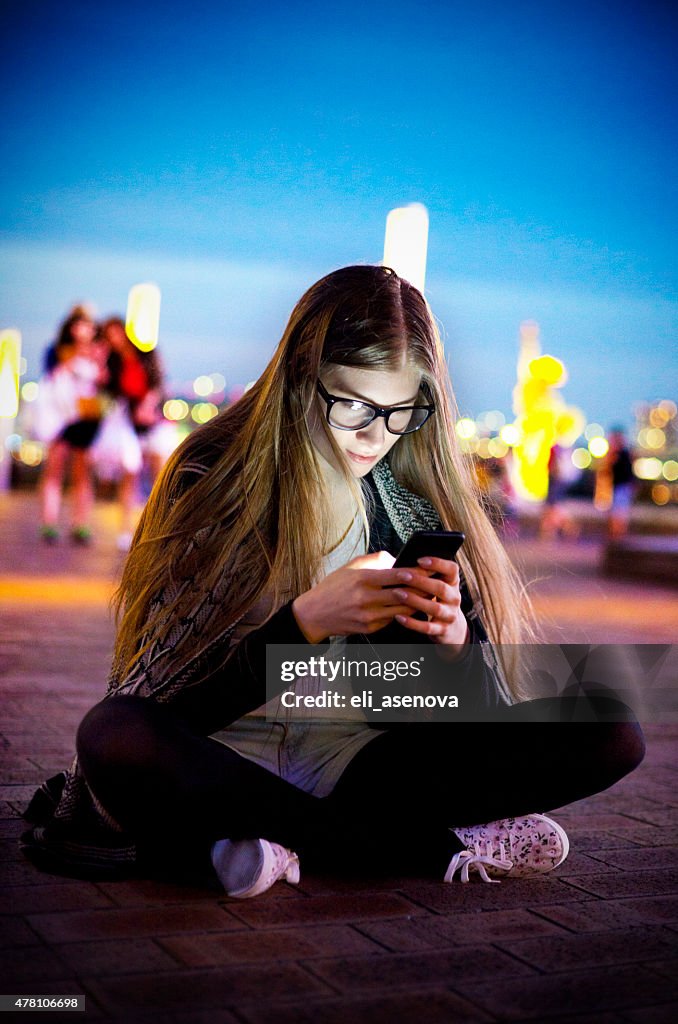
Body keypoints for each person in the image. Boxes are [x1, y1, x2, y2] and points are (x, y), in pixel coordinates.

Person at [22, 266, 644, 896]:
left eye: (402, 411)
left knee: (608, 725)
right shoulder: (211, 474)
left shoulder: (404, 502)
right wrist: (304, 625)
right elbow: (167, 703)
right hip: (227, 754)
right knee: (113, 735)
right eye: (354, 405)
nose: (377, 436)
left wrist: (453, 644)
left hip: (354, 757)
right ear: (301, 377)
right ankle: (412, 844)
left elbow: (428, 704)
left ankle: (269, 842)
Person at [93, 317, 177, 550]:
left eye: (116, 333)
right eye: (109, 337)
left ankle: (162, 528)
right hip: (131, 427)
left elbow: (158, 382)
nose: (114, 340)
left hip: (155, 422)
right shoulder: (113, 364)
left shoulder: (146, 354)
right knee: (129, 477)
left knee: (159, 477)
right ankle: (126, 531)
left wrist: (148, 406)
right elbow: (108, 394)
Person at [33, 308, 105, 544]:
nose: (85, 329)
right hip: (61, 418)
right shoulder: (58, 351)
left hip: (86, 417)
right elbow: (52, 380)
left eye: (88, 325)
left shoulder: (98, 352)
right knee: (54, 469)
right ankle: (49, 522)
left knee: (82, 473)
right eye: (80, 324)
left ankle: (80, 523)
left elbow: (103, 381)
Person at [606, 428, 635, 539]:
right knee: (618, 511)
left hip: (621, 486)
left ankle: (617, 534)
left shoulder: (621, 453)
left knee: (619, 512)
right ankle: (617, 534)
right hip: (619, 486)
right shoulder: (622, 453)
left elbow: (625, 471)